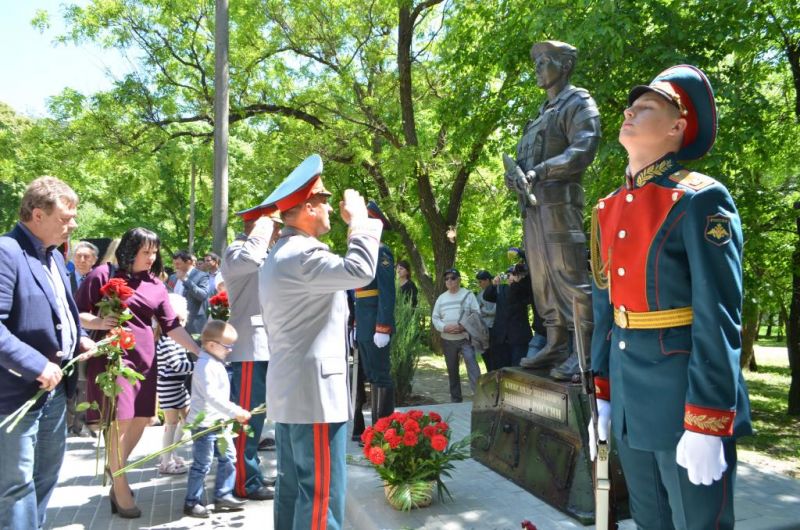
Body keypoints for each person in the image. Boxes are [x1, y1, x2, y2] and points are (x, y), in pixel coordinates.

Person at [590, 65, 752, 529]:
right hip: (628, 395)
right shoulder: (607, 208)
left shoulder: (700, 199)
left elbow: (718, 315)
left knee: (698, 522)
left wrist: (707, 419)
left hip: (683, 394)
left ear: (677, 127)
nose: (629, 112)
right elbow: (606, 311)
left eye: (645, 107)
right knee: (650, 521)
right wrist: (602, 394)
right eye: (629, 106)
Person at [259, 154, 383, 530]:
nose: (332, 209)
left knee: (294, 489)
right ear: (309, 207)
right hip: (314, 396)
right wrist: (361, 221)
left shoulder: (282, 253)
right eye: (326, 201)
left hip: (294, 391)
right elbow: (360, 271)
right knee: (321, 497)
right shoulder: (303, 253)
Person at [76, 227, 200, 519]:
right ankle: (120, 486)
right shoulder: (102, 275)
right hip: (113, 358)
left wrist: (198, 349)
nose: (151, 257)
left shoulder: (156, 284)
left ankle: (115, 466)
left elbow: (171, 325)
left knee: (143, 419)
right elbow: (77, 311)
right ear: (129, 250)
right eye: (145, 251)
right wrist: (98, 321)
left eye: (154, 251)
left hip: (145, 360)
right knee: (120, 420)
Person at [0, 176, 95, 529]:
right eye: (65, 218)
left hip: (55, 391)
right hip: (15, 394)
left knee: (45, 477)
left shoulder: (54, 256)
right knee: (15, 487)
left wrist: (79, 338)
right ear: (37, 215)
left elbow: (62, 311)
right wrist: (35, 363)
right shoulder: (6, 253)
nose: (73, 225)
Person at [506, 41, 600, 381]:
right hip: (533, 209)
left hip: (560, 203)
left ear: (565, 65)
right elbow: (524, 161)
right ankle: (556, 342)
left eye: (544, 61)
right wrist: (514, 176)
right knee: (543, 279)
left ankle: (583, 353)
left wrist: (539, 172)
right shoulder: (538, 117)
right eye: (536, 62)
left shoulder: (578, 103)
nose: (537, 68)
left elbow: (583, 149)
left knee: (569, 277)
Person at [220, 205, 281, 501]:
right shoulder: (237, 251)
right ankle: (244, 480)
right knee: (246, 418)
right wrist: (264, 225)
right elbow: (250, 258)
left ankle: (250, 472)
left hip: (267, 345)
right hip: (249, 347)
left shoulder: (265, 253)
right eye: (274, 225)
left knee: (258, 417)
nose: (278, 231)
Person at [183, 319, 250, 518]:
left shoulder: (214, 361)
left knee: (229, 456)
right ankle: (191, 501)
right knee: (202, 464)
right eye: (227, 346)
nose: (230, 350)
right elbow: (213, 397)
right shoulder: (205, 366)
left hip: (218, 423)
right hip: (204, 424)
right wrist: (235, 411)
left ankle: (223, 494)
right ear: (212, 345)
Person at [355, 200, 397, 426]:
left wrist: (383, 327)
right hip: (363, 324)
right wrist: (355, 324)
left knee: (381, 376)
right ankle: (372, 429)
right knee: (370, 376)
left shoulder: (381, 252)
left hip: (375, 325)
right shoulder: (363, 252)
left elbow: (387, 292)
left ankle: (383, 429)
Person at [155, 293, 195, 475]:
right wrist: (197, 365)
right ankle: (166, 460)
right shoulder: (169, 341)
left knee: (187, 420)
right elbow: (178, 365)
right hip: (169, 385)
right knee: (172, 423)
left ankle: (171, 452)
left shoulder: (173, 340)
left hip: (176, 385)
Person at [66, 240, 101, 437]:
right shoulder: (65, 278)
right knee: (73, 383)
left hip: (93, 338)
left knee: (86, 383)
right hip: (71, 339)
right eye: (78, 256)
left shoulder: (99, 282)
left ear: (94, 260)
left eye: (86, 257)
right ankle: (70, 423)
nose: (81, 260)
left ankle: (82, 424)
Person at [431, 268, 482, 402]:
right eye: (446, 278)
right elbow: (435, 318)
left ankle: (479, 398)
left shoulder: (468, 295)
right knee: (452, 371)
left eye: (452, 278)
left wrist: (463, 326)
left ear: (458, 279)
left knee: (472, 366)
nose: (449, 281)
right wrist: (444, 327)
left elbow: (477, 314)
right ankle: (456, 400)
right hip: (448, 340)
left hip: (465, 339)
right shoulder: (441, 298)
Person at [484, 264, 533, 369]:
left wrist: (518, 282)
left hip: (518, 338)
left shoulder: (524, 289)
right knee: (500, 368)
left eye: (514, 274)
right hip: (500, 337)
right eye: (509, 274)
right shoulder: (501, 289)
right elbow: (487, 296)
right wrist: (493, 285)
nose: (511, 277)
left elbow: (522, 298)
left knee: (517, 368)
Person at [167, 250, 209, 335]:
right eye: (174, 264)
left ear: (189, 262)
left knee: (194, 347)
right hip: (175, 322)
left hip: (193, 323)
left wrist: (185, 280)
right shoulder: (173, 277)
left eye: (178, 264)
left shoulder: (202, 276)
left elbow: (203, 295)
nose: (176, 267)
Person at [475, 270, 496, 371]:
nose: (479, 284)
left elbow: (495, 311)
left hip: (495, 328)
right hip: (483, 328)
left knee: (494, 354)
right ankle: (489, 374)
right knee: (485, 353)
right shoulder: (479, 295)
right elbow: (477, 311)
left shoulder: (497, 290)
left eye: (481, 281)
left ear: (487, 280)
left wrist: (484, 310)